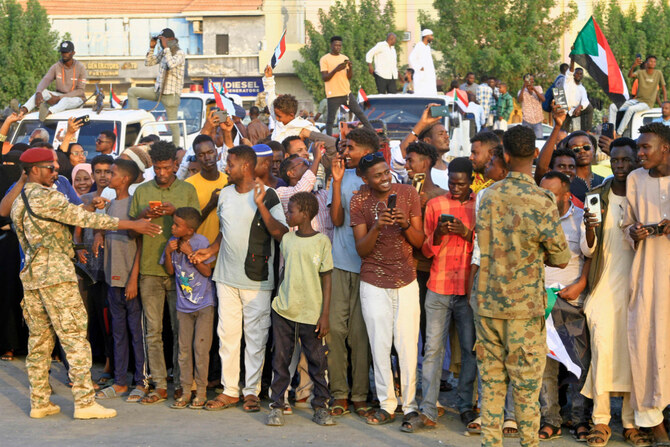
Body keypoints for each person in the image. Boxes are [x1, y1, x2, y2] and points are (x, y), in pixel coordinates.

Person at [10, 147, 160, 419]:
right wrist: (133, 225)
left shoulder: (21, 200)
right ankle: (84, 402)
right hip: (56, 276)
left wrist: (87, 206)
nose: (55, 172)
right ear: (34, 170)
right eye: (50, 168)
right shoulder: (46, 196)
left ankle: (40, 402)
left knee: (39, 343)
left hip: (32, 277)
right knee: (75, 338)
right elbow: (84, 219)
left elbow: (67, 214)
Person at [473, 125, 571, 446]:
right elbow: (561, 258)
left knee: (491, 388)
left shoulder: (488, 196)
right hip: (524, 311)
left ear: (505, 155)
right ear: (534, 154)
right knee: (527, 392)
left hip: (488, 305)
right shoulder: (542, 200)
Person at [190, 145, 288, 413]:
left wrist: (261, 206)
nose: (226, 168)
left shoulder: (267, 195)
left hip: (257, 278)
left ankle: (252, 391)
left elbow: (281, 233)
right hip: (226, 277)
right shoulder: (225, 194)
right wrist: (211, 249)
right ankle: (230, 390)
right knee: (227, 336)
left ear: (245, 166)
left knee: (256, 337)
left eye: (230, 164)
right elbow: (226, 230)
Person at [580, 138, 646, 447]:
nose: (620, 165)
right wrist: (589, 228)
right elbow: (587, 250)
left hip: (638, 288)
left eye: (626, 160)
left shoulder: (644, 195)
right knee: (603, 352)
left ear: (636, 162)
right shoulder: (596, 195)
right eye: (615, 160)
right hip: (604, 287)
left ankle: (631, 423)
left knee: (635, 355)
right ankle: (601, 420)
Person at [350, 152, 424, 428]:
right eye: (377, 175)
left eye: (386, 172)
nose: (384, 179)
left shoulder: (408, 193)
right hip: (373, 281)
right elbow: (362, 249)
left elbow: (419, 241)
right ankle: (387, 404)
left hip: (406, 279)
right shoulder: (359, 201)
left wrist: (404, 224)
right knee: (379, 345)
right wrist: (377, 227)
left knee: (407, 345)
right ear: (365, 179)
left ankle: (410, 405)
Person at [129, 141, 199, 405]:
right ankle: (159, 384)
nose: (161, 173)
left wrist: (174, 212)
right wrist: (144, 214)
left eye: (167, 168)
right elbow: (131, 230)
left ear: (175, 165)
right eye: (157, 168)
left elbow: (195, 226)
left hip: (181, 270)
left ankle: (182, 383)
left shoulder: (187, 190)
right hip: (149, 270)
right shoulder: (142, 191)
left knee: (181, 330)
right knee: (153, 331)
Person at [416, 158, 477, 432]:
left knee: (469, 349)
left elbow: (485, 246)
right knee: (432, 350)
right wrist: (439, 235)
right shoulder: (435, 205)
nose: (455, 188)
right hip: (438, 286)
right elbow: (426, 250)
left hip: (467, 289)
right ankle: (428, 408)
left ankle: (465, 405)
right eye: (452, 183)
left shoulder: (480, 205)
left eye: (461, 184)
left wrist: (467, 233)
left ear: (471, 182)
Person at [265, 192, 334, 427]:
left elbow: (327, 278)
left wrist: (325, 315)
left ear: (304, 214)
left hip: (312, 313)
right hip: (285, 310)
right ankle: (276, 406)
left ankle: (321, 407)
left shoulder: (322, 242)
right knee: (280, 360)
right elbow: (286, 271)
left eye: (291, 211)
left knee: (317, 363)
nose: (287, 214)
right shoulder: (287, 239)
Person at [623, 123, 670, 445]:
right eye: (638, 147)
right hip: (648, 273)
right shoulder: (635, 179)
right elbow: (625, 224)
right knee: (646, 343)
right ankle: (653, 421)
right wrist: (634, 232)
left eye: (645, 147)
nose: (639, 153)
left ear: (665, 148)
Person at [537, 171, 592, 442]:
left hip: (571, 302)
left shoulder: (581, 220)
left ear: (567, 196)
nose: (545, 200)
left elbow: (591, 255)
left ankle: (580, 419)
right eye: (542, 194)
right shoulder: (534, 219)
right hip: (540, 302)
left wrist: (581, 283)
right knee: (544, 366)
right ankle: (550, 420)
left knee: (578, 365)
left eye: (552, 195)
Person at [327, 128, 375, 418]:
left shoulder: (378, 178)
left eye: (351, 148)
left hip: (367, 267)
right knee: (335, 329)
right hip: (340, 263)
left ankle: (359, 394)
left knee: (359, 334)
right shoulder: (342, 176)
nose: (345, 152)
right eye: (345, 147)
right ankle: (339, 392)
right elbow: (336, 220)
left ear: (367, 152)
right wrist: (336, 182)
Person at [94, 158, 147, 403]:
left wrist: (133, 279)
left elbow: (141, 244)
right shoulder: (110, 205)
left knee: (136, 333)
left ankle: (141, 381)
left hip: (129, 281)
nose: (108, 176)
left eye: (112, 173)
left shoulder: (134, 205)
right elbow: (99, 226)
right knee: (118, 333)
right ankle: (120, 382)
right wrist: (98, 234)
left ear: (124, 179)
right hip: (112, 279)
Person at [162, 207, 215, 410]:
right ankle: (185, 391)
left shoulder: (201, 242)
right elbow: (170, 271)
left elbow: (207, 271)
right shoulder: (171, 242)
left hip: (204, 305)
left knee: (200, 350)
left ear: (190, 230)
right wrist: (168, 252)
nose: (173, 227)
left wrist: (189, 252)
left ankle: (201, 392)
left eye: (177, 225)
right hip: (183, 306)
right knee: (183, 350)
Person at [128, 28, 185, 145]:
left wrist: (166, 47)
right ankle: (134, 121)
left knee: (173, 124)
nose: (161, 42)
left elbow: (171, 64)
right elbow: (148, 63)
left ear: (170, 39)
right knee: (132, 91)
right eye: (160, 40)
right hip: (158, 91)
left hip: (171, 95)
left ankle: (176, 149)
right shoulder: (164, 52)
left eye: (162, 39)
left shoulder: (179, 53)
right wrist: (152, 48)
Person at [20, 41, 87, 121]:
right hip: (59, 96)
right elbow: (45, 80)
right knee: (43, 92)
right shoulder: (56, 66)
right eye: (62, 52)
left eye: (67, 52)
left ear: (73, 53)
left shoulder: (80, 67)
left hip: (76, 99)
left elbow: (80, 91)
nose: (64, 54)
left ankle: (47, 112)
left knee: (65, 100)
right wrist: (38, 92)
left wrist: (59, 98)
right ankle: (22, 111)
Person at [320, 36, 373, 135]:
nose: (338, 47)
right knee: (330, 119)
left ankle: (373, 133)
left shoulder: (344, 58)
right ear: (331, 45)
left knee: (359, 113)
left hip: (346, 93)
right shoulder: (324, 59)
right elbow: (325, 77)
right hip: (333, 94)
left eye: (339, 45)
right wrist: (337, 69)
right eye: (336, 45)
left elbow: (349, 77)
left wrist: (350, 67)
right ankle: (329, 139)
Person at [185, 135, 228, 243]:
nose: (207, 158)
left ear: (216, 152)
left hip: (225, 249)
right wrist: (210, 205)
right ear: (196, 157)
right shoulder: (188, 185)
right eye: (201, 155)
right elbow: (187, 225)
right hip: (197, 249)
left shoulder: (228, 181)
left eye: (210, 152)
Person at [610, 55, 667, 136]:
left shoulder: (658, 73)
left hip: (647, 103)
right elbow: (630, 76)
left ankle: (619, 133)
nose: (653, 63)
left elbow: (663, 89)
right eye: (651, 61)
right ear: (646, 63)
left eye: (654, 62)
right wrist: (633, 66)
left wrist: (664, 103)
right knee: (613, 106)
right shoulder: (640, 73)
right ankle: (611, 131)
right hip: (637, 100)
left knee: (631, 109)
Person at [399, 105, 451, 189]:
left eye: (446, 133)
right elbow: (402, 152)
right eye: (441, 134)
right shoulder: (417, 171)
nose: (447, 137)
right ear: (427, 141)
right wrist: (422, 123)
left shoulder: (452, 169)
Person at [263, 65, 319, 142]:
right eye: (276, 115)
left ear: (291, 115)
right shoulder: (279, 123)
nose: (276, 118)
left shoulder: (305, 127)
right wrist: (269, 78)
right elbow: (270, 97)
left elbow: (323, 141)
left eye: (279, 116)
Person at [563, 58, 592, 132]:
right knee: (563, 131)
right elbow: (571, 69)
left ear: (582, 76)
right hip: (564, 110)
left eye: (580, 74)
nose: (579, 75)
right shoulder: (568, 81)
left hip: (575, 111)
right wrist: (573, 58)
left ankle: (586, 132)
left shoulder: (582, 88)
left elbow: (585, 101)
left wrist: (580, 107)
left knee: (589, 108)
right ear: (574, 74)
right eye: (577, 73)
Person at [409, 30, 437, 96]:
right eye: (431, 36)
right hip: (422, 76)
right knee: (421, 94)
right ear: (426, 36)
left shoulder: (427, 47)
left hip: (428, 76)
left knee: (430, 94)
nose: (432, 37)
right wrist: (420, 67)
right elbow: (412, 58)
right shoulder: (419, 45)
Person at [518, 74, 546, 139]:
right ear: (524, 81)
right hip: (526, 120)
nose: (530, 81)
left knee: (539, 139)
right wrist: (523, 87)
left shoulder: (538, 88)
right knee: (526, 140)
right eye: (528, 79)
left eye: (532, 79)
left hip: (538, 120)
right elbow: (519, 100)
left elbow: (543, 99)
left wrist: (534, 90)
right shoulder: (521, 91)